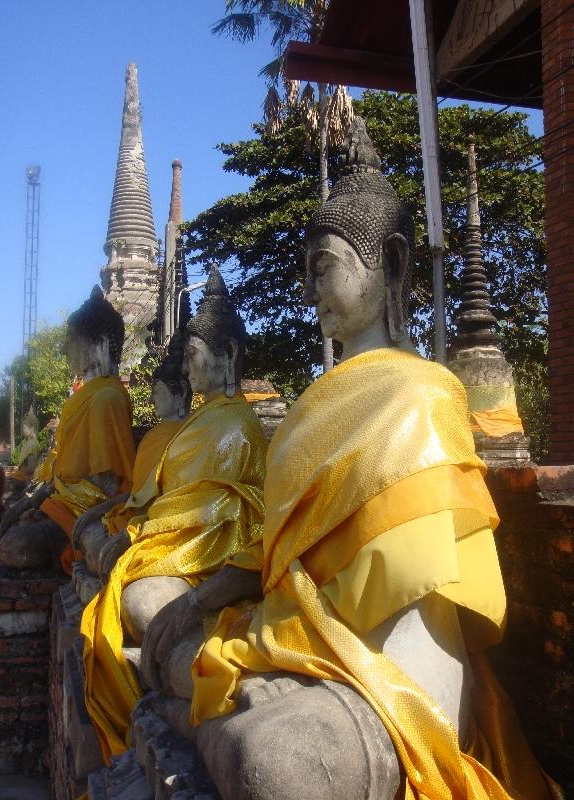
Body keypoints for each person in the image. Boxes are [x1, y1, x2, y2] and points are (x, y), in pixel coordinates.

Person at [141, 119, 560, 800]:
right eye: (304, 274)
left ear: (390, 264)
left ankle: (211, 715)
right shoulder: (311, 407)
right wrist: (205, 601)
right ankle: (212, 706)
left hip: (385, 675)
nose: (309, 294)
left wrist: (362, 689)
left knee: (276, 765)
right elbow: (283, 556)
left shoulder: (422, 394)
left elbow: (419, 611)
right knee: (158, 610)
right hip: (293, 642)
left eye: (324, 269)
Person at [81, 267, 268, 763]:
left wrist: (144, 531)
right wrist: (132, 525)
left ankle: (207, 691)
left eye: (193, 356)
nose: (186, 370)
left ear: (226, 357)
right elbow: (164, 492)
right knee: (108, 558)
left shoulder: (238, 425)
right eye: (185, 357)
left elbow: (220, 508)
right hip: (169, 538)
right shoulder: (202, 419)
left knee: (143, 604)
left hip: (204, 552)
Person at [0, 286, 136, 575]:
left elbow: (109, 483)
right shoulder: (84, 397)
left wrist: (54, 507)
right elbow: (62, 468)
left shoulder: (107, 398)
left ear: (98, 345)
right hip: (62, 500)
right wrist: (36, 500)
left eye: (72, 341)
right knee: (8, 524)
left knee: (15, 546)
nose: (65, 349)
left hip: (87, 509)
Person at [72, 332, 191, 581]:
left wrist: (131, 535)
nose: (150, 399)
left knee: (106, 557)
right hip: (129, 517)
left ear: (180, 394)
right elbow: (138, 492)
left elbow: (175, 502)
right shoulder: (152, 437)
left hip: (160, 525)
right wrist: (92, 514)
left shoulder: (189, 436)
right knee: (88, 533)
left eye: (157, 392)